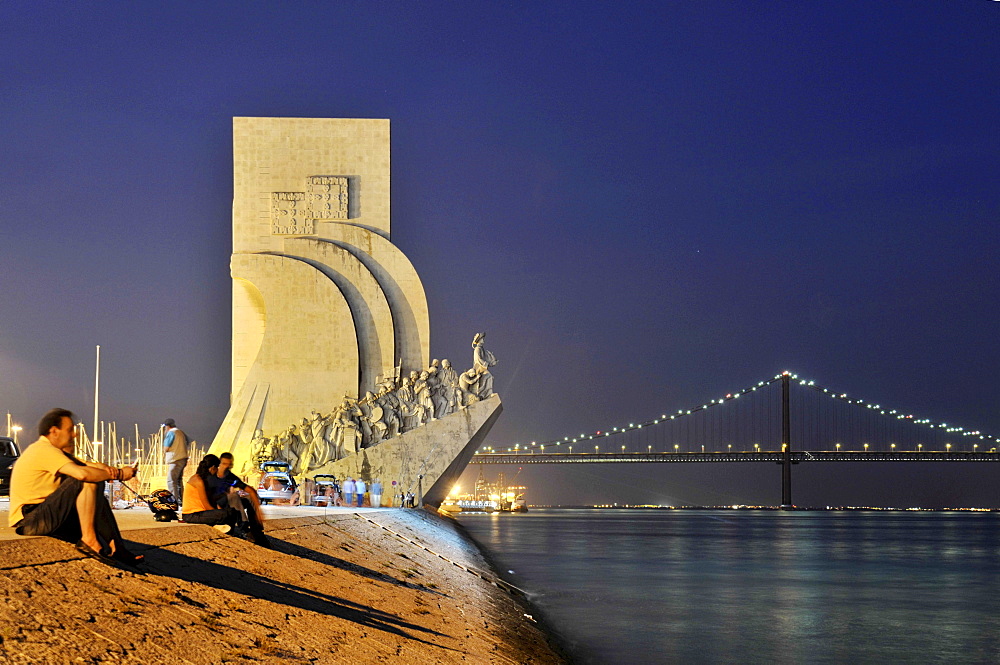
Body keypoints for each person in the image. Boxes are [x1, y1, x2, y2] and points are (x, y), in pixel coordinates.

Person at [8, 408, 143, 566]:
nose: (74, 434)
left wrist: (116, 471)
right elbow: (82, 474)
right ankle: (89, 540)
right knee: (84, 480)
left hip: (48, 515)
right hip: (30, 520)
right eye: (70, 430)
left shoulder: (57, 453)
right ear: (54, 431)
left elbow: (91, 466)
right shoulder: (42, 450)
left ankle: (117, 548)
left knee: (94, 484)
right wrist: (118, 474)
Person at [210, 452, 268, 546]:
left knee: (249, 497)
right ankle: (244, 529)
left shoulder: (230, 476)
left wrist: (258, 512)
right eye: (224, 464)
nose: (226, 467)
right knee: (234, 496)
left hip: (229, 502)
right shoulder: (212, 475)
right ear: (219, 463)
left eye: (229, 465)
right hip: (217, 504)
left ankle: (256, 529)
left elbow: (251, 490)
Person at [181, 454, 240, 532]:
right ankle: (228, 529)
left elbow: (212, 501)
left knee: (231, 512)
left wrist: (220, 510)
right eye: (217, 468)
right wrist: (219, 513)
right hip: (192, 515)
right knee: (227, 513)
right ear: (212, 468)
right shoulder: (198, 481)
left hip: (201, 513)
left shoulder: (204, 480)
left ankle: (226, 528)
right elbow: (206, 505)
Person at [162, 418, 189, 505]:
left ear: (167, 426)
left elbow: (166, 448)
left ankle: (174, 502)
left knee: (171, 480)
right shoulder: (180, 432)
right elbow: (187, 442)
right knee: (178, 481)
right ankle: (181, 501)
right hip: (183, 458)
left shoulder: (171, 433)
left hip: (175, 459)